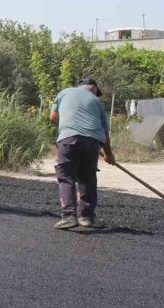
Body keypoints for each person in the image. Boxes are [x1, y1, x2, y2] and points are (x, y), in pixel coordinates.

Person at [49, 78, 115, 229]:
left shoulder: (64, 92)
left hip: (68, 138)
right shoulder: (98, 102)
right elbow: (105, 133)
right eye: (96, 91)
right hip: (93, 142)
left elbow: (52, 118)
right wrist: (109, 154)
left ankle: (69, 216)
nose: (96, 94)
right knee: (87, 178)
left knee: (66, 177)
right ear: (92, 86)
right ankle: (86, 217)